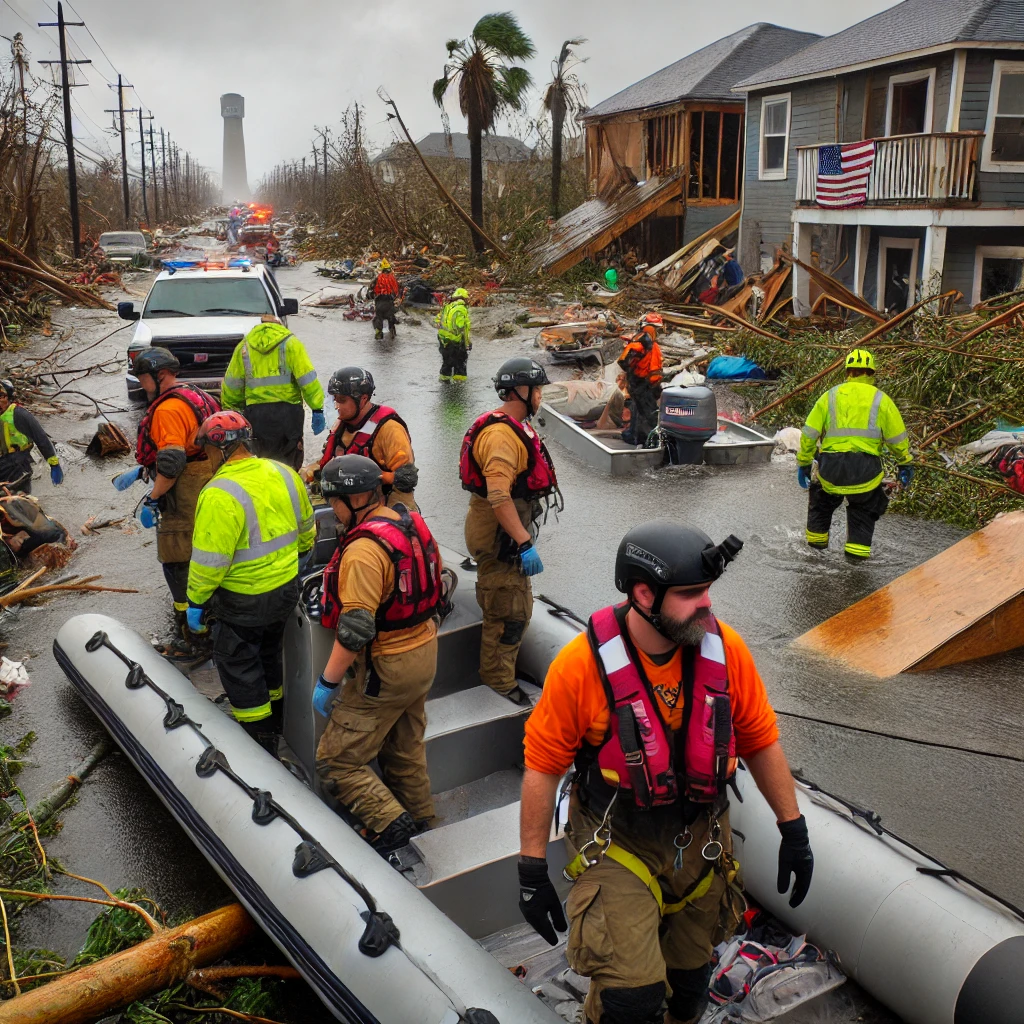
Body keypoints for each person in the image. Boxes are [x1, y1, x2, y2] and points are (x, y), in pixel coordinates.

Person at [518, 521, 814, 1024]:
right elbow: (543, 769)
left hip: (700, 836)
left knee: (689, 988)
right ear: (643, 593)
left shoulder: (727, 652)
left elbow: (760, 741)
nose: (706, 604)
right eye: (691, 593)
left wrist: (795, 830)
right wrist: (529, 871)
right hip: (616, 839)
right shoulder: (581, 667)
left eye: (707, 591)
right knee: (632, 1000)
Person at [312, 454, 443, 856]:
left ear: (355, 499)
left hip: (387, 666)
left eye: (334, 502)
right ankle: (423, 820)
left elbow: (356, 630)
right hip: (425, 649)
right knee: (405, 749)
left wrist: (327, 682)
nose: (332, 510)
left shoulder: (363, 551)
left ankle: (392, 827)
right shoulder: (406, 520)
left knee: (337, 761)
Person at [186, 410, 315, 752]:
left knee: (241, 667)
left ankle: (260, 742)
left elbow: (209, 562)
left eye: (208, 452)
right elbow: (306, 533)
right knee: (270, 654)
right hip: (286, 590)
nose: (208, 458)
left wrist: (195, 603)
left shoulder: (218, 493)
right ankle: (277, 718)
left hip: (243, 601)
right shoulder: (285, 473)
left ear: (220, 449)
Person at [460, 357, 561, 704]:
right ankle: (498, 680)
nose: (541, 397)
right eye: (538, 390)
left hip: (505, 531)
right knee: (508, 611)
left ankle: (502, 669)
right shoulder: (502, 437)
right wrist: (524, 542)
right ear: (522, 391)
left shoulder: (513, 426)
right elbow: (499, 495)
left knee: (514, 601)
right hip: (499, 534)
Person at [112, 348, 220, 655]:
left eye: (143, 378)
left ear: (159, 376)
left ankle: (192, 633)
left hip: (184, 489)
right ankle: (202, 621)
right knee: (203, 552)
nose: (141, 384)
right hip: (207, 479)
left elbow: (172, 462)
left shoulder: (167, 410)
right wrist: (143, 470)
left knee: (177, 560)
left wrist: (154, 497)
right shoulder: (195, 394)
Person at [797, 348, 913, 559]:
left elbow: (809, 433)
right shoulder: (881, 399)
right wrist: (904, 463)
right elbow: (897, 438)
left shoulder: (830, 396)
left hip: (830, 468)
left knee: (821, 504)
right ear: (872, 373)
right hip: (865, 471)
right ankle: (856, 562)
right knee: (864, 510)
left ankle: (814, 552)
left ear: (848, 372)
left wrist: (804, 463)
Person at [221, 316, 326, 470]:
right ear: (280, 325)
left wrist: (231, 411)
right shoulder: (291, 344)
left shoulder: (244, 347)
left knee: (261, 462)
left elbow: (232, 384)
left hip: (256, 415)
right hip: (288, 415)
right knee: (289, 464)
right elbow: (307, 380)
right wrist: (317, 408)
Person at [316, 366, 419, 511]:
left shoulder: (389, 429)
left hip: (383, 502)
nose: (336, 406)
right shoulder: (341, 424)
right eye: (334, 400)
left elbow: (407, 479)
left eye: (342, 400)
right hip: (349, 502)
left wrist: (371, 477)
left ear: (363, 399)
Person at [0, 379, 63, 494]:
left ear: (8, 398)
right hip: (2, 466)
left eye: (1, 397)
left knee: (20, 502)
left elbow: (41, 438)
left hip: (18, 466)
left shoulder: (20, 415)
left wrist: (54, 464)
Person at [618, 312, 664, 446]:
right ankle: (647, 441)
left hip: (647, 382)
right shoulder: (642, 343)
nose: (656, 331)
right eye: (655, 328)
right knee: (648, 413)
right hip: (642, 383)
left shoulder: (649, 343)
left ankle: (634, 435)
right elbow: (624, 361)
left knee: (638, 410)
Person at [436, 287, 471, 382]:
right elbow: (462, 327)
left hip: (443, 339)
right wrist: (467, 343)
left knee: (447, 362)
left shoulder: (447, 306)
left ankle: (444, 380)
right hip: (455, 340)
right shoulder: (461, 309)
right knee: (460, 362)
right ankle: (459, 384)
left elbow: (438, 320)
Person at [371, 258, 401, 341]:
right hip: (389, 302)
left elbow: (371, 289)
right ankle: (392, 333)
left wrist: (371, 296)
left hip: (379, 301)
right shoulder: (393, 279)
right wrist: (397, 299)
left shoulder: (378, 278)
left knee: (378, 317)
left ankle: (378, 333)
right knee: (390, 316)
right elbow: (397, 290)